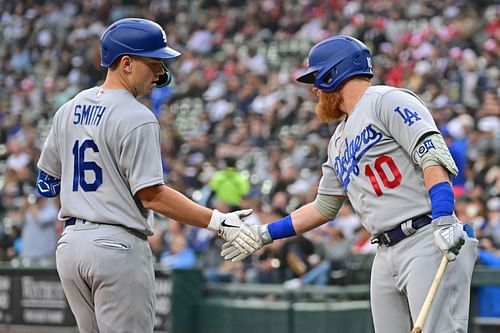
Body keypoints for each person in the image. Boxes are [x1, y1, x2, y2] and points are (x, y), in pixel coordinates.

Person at [221, 36, 478, 333]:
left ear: (334, 74)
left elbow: (432, 156)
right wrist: (265, 233)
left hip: (426, 236)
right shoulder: (337, 141)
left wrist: (445, 216)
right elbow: (323, 207)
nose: (315, 89)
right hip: (383, 252)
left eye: (317, 79)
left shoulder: (387, 100)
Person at [36, 18, 252, 333]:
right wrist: (217, 222)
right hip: (116, 246)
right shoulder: (137, 116)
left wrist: (91, 197)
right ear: (126, 63)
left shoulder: (68, 108)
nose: (160, 74)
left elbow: (46, 182)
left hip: (70, 246)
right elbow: (152, 196)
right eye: (153, 63)